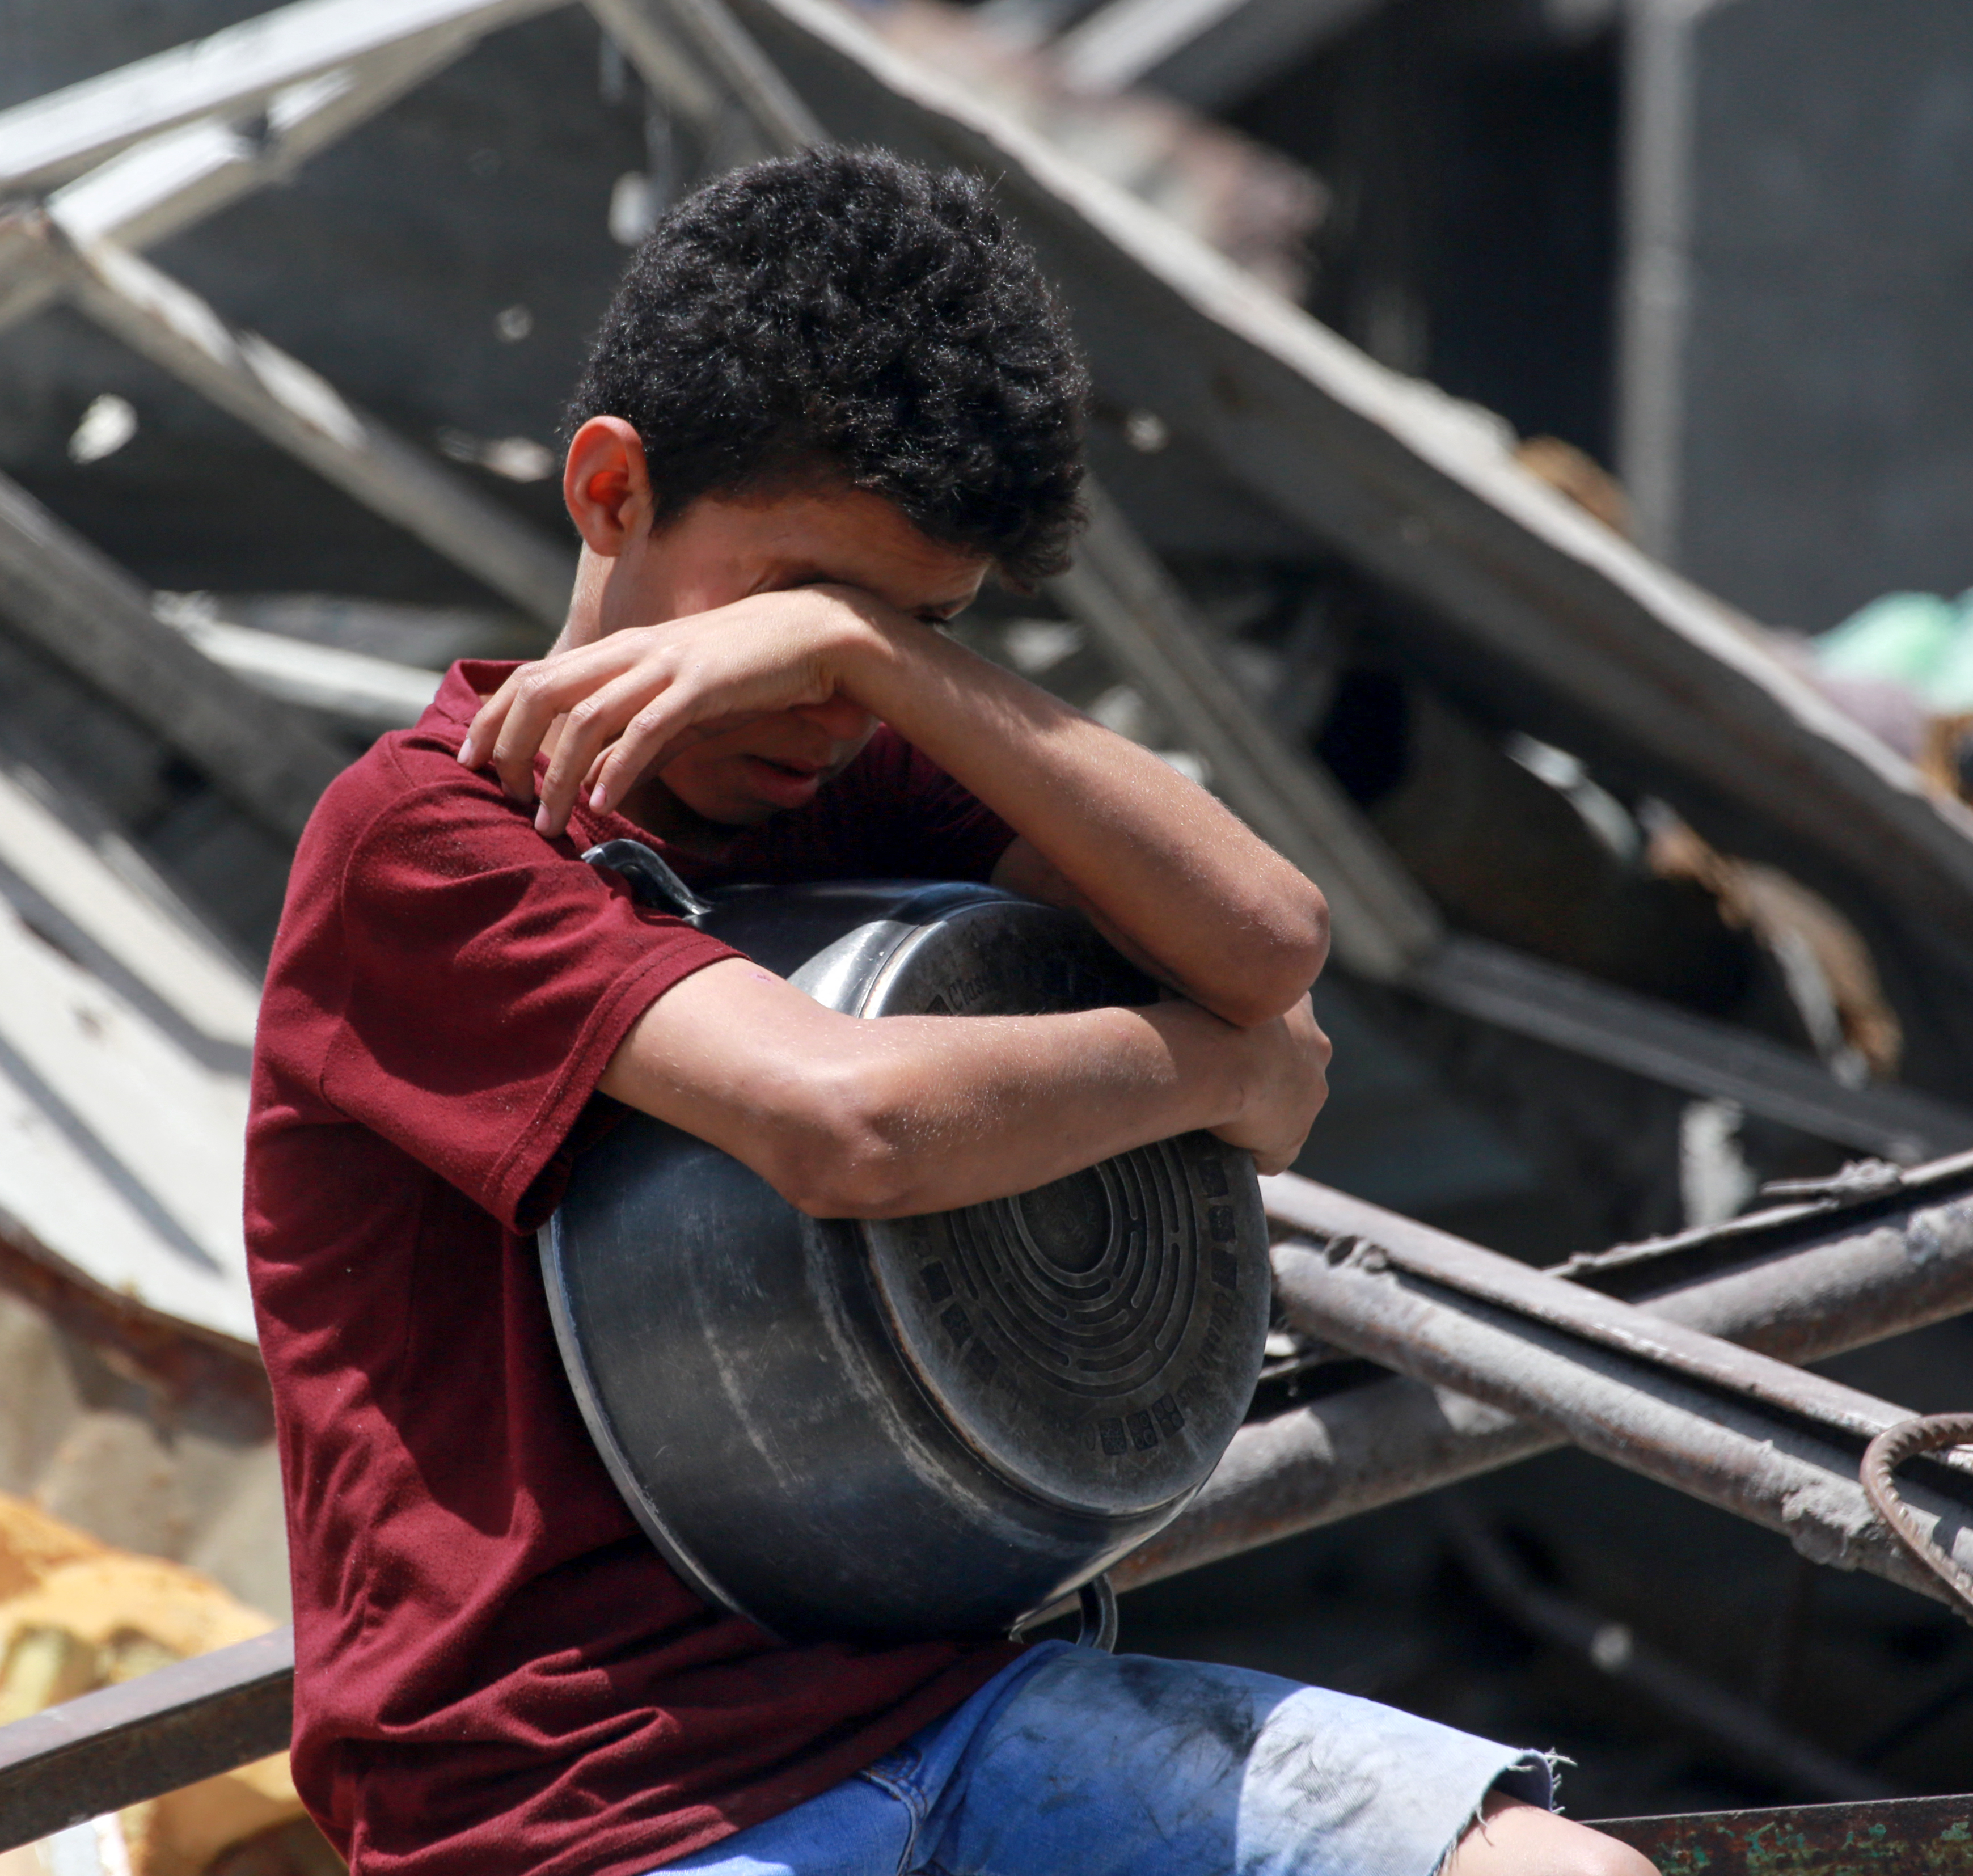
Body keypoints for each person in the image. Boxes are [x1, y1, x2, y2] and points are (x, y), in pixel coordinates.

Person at [246, 145, 1654, 1876]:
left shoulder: (851, 763)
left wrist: (891, 664)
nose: (821, 690)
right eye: (796, 594)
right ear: (611, 493)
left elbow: (1271, 940)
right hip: (587, 1808)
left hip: (959, 1705)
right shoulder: (431, 838)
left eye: (910, 619)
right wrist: (1217, 1074)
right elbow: (849, 1125)